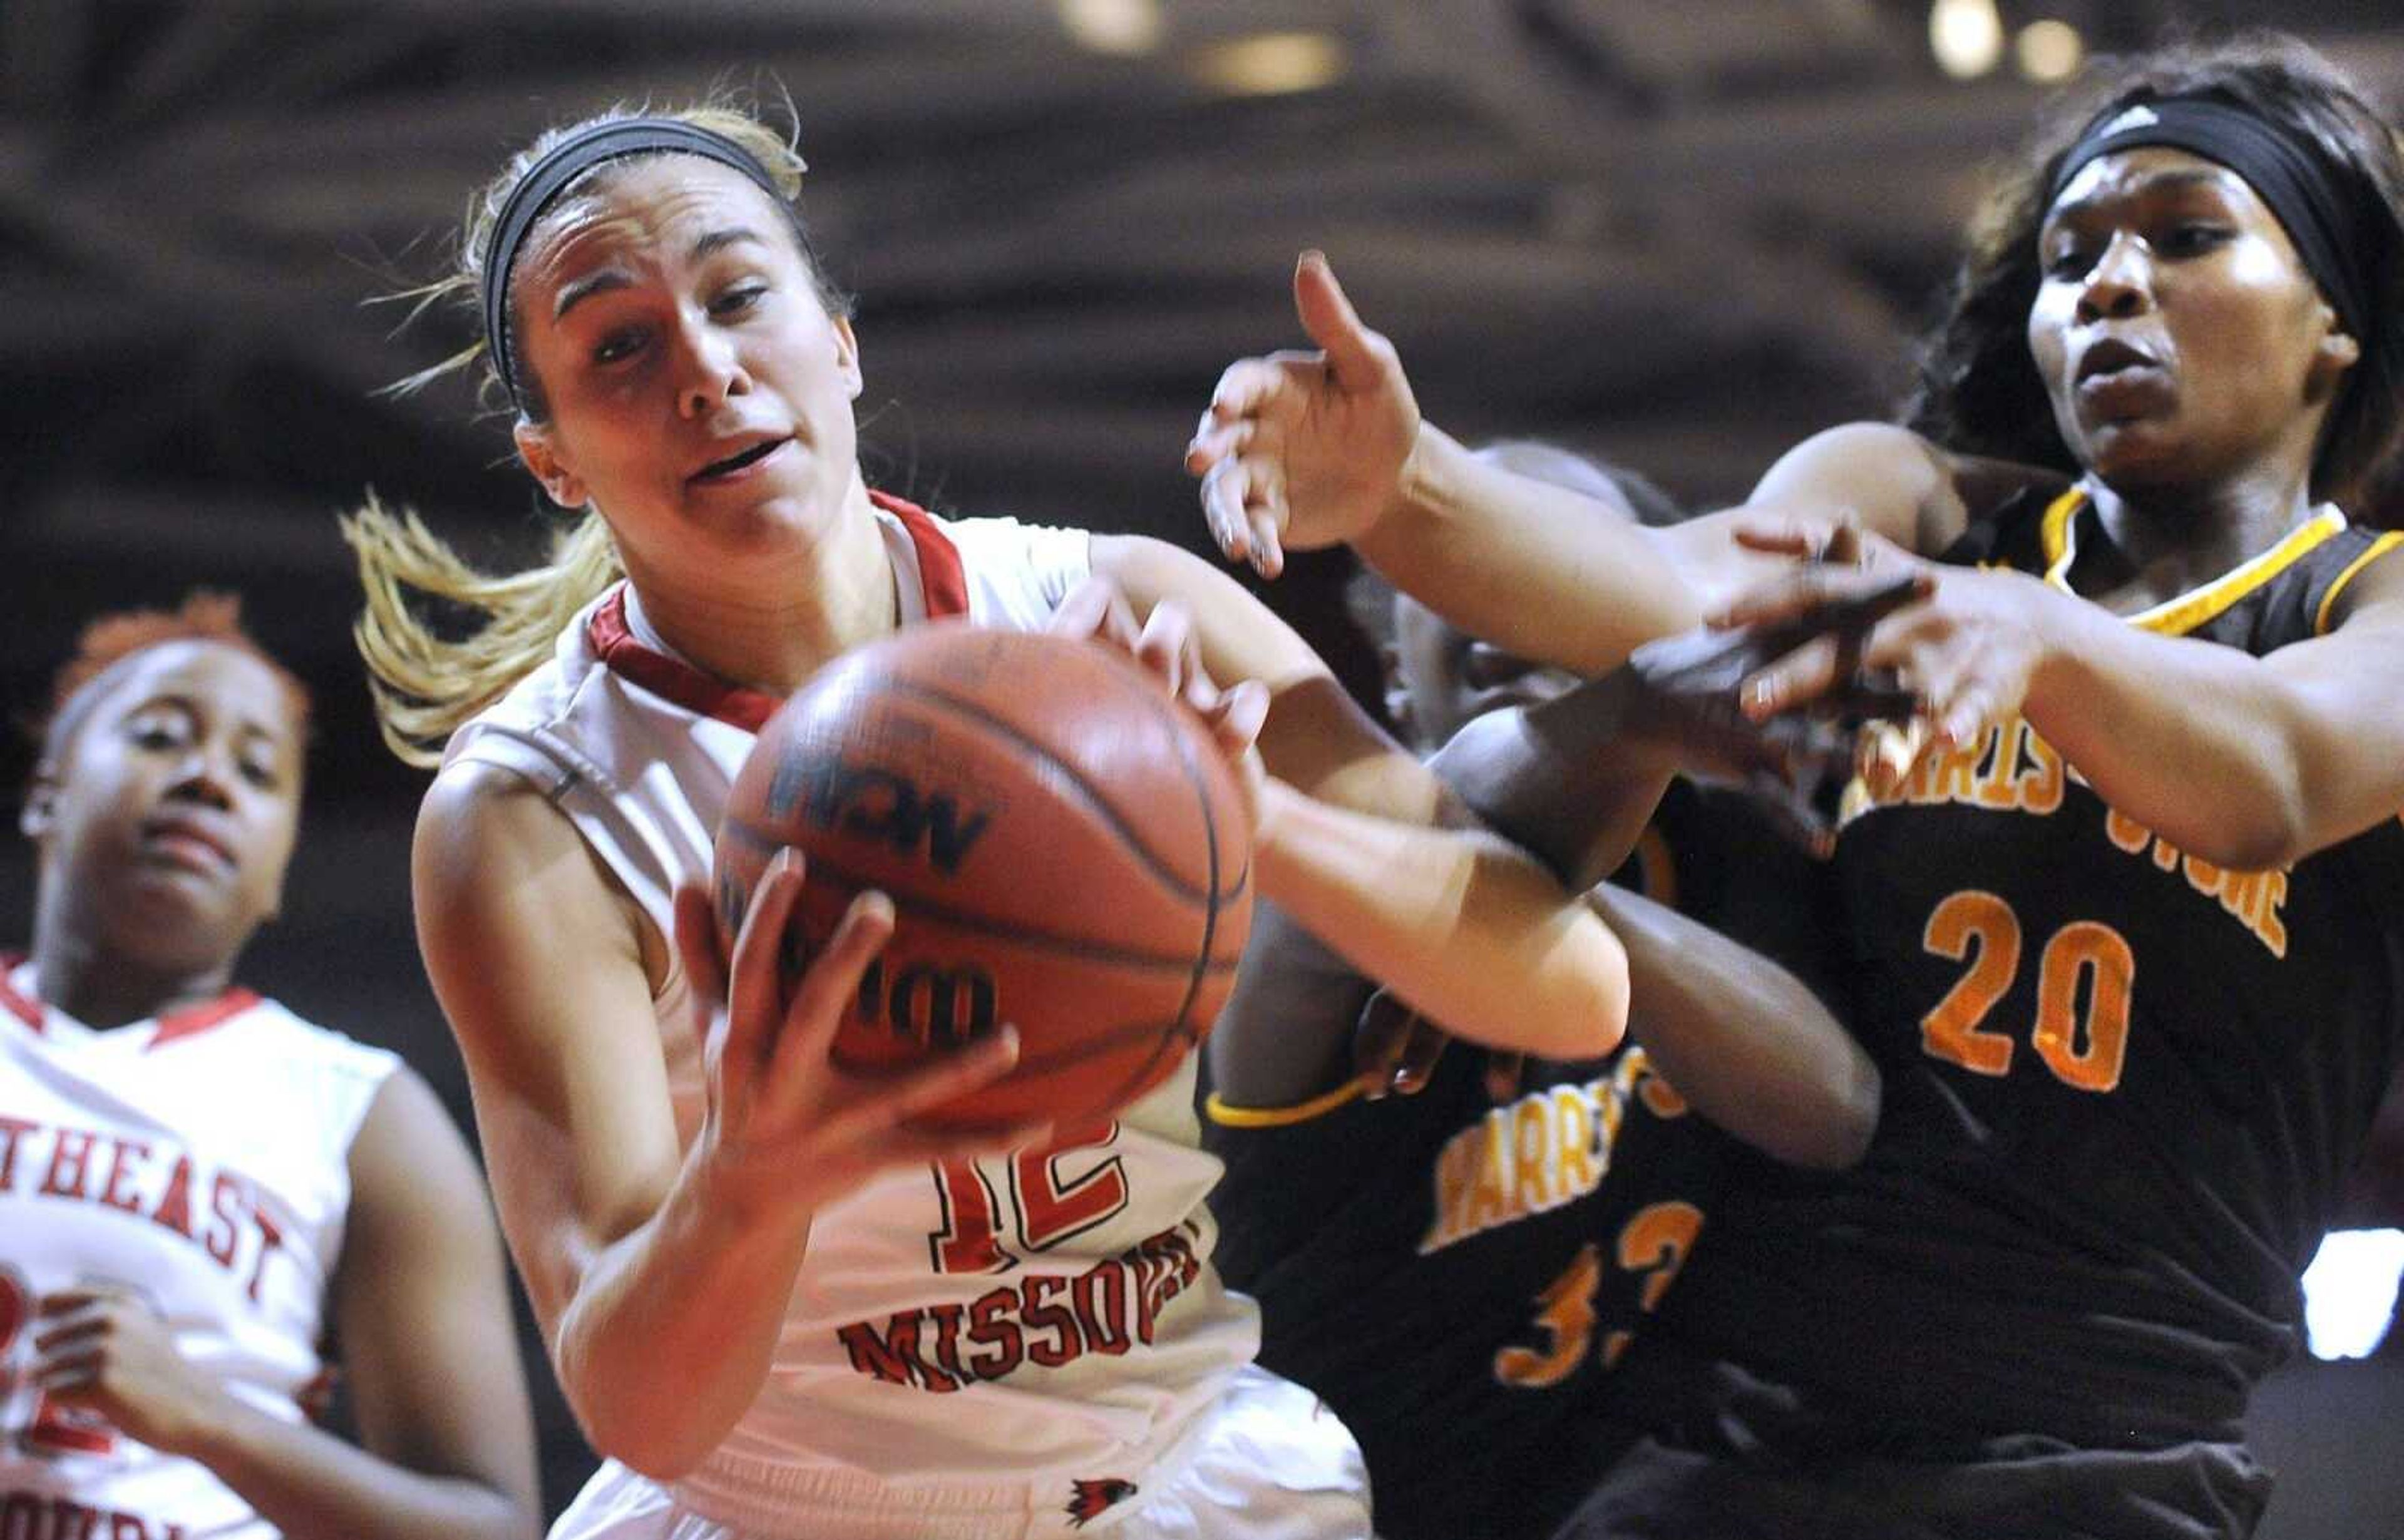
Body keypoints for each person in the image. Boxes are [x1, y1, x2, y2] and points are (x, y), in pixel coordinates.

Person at [344, 103, 1631, 1539]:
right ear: (556, 460)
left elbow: (1571, 994)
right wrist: (750, 1185)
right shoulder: (534, 811)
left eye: (737, 295)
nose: (703, 368)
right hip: (796, 1511)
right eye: (618, 346)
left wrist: (1244, 815)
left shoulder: (1117, 614)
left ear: (838, 343)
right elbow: (639, 1409)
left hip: (1175, 1482)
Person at [1187, 34, 2404, 1539]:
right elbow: (1638, 590)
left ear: (2335, 322)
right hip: (1732, 1421)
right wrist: (1404, 487)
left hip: (2104, 1449)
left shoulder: (2371, 613)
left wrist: (2043, 642)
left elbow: (2275, 781)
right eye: (2071, 251)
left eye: (2188, 235)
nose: (2106, 281)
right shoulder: (1913, 507)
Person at [1206, 444, 1878, 1540]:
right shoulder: (1303, 860)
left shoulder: (1723, 853)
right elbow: (1455, 799)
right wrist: (1620, 728)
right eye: (1471, 574)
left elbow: (1834, 1113)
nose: (1514, 598)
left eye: (1553, 564)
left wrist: (1569, 897)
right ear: (1385, 667)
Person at [2, 593, 540, 1540]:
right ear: (46, 791)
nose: (209, 779)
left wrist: (205, 1416)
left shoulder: (364, 1115)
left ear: (280, 868)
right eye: (161, 737)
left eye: (256, 772)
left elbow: (490, 1526)